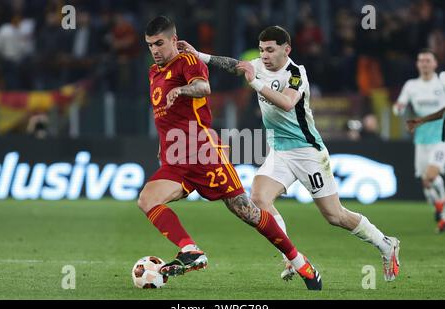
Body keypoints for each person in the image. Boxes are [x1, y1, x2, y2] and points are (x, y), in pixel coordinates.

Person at [178, 25, 400, 282]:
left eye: (270, 50)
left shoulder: (296, 73)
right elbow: (234, 65)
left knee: (334, 215)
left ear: (287, 49)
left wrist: (255, 82)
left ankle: (386, 244)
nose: (264, 56)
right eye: (261, 50)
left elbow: (286, 102)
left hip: (307, 152)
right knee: (259, 199)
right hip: (280, 152)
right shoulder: (258, 65)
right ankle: (290, 259)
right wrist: (199, 55)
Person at [139, 16, 322, 290]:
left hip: (203, 154)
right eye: (150, 45)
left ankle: (300, 262)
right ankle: (191, 250)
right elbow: (165, 117)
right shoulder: (154, 72)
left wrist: (181, 89)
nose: (155, 50)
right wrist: (161, 146)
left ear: (173, 40)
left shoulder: (186, 62)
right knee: (147, 199)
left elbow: (204, 87)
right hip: (175, 157)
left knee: (247, 211)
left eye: (160, 43)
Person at [393, 49, 445, 232]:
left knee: (431, 175)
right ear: (417, 64)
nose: (424, 63)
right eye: (421, 60)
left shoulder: (442, 81)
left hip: (440, 138)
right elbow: (400, 105)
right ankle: (439, 210)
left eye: (428, 60)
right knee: (426, 183)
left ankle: (442, 210)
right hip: (421, 139)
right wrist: (399, 109)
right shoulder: (411, 85)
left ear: (435, 64)